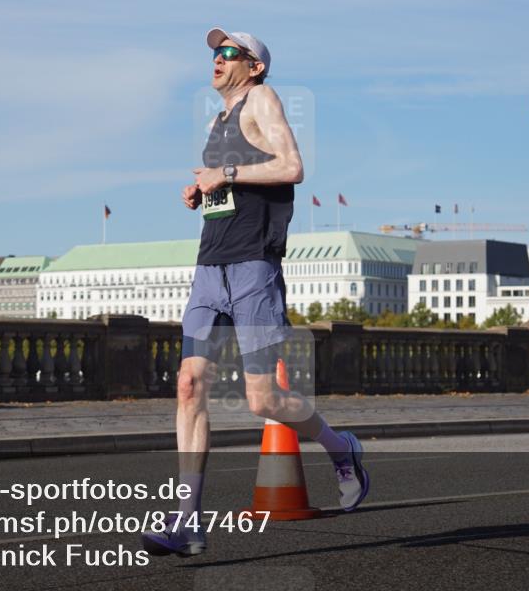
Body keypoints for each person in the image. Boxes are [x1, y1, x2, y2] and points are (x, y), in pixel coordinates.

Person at [142, 28, 369, 557]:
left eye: (229, 53)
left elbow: (292, 167)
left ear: (255, 66)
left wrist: (224, 172)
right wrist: (201, 191)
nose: (217, 59)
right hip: (210, 267)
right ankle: (187, 521)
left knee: (261, 399)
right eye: (214, 53)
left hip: (252, 268)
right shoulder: (216, 121)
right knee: (189, 386)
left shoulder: (262, 99)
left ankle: (341, 448)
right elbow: (233, 188)